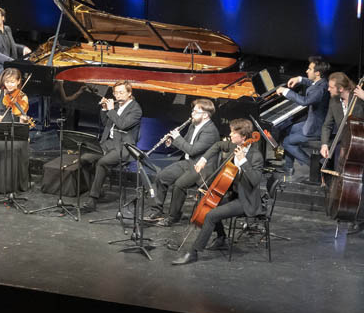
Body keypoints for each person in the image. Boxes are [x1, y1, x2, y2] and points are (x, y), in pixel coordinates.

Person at [171, 118, 266, 265]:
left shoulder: (255, 156)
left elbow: (254, 181)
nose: (230, 135)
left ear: (243, 137)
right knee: (208, 203)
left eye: (233, 133)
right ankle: (221, 237)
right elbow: (217, 145)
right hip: (234, 195)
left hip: (246, 200)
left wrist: (243, 161)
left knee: (211, 215)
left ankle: (193, 253)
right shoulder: (233, 145)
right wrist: (203, 159)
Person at [320, 71, 364, 233]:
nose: (328, 89)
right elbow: (327, 125)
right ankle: (344, 211)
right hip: (345, 147)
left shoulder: (359, 98)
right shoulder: (334, 101)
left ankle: (359, 220)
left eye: (331, 87)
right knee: (344, 181)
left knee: (360, 183)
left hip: (362, 146)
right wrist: (324, 144)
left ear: (341, 88)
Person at [150, 99, 220, 227]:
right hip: (188, 162)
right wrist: (171, 142)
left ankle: (173, 217)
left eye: (196, 112)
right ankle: (157, 210)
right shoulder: (193, 125)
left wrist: (177, 138)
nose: (192, 114)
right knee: (162, 177)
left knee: (179, 185)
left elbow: (192, 150)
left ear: (205, 115)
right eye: (193, 111)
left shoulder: (210, 131)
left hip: (201, 167)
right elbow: (185, 144)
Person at [79, 81, 142, 213]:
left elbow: (123, 125)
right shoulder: (117, 106)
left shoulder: (136, 109)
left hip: (124, 147)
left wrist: (111, 110)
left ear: (129, 93)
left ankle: (92, 200)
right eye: (116, 93)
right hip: (108, 143)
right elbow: (107, 124)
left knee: (102, 162)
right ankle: (97, 189)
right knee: (84, 159)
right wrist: (104, 109)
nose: (118, 95)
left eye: (121, 92)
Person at [275, 56, 331, 179]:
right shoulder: (323, 82)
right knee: (287, 130)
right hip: (313, 122)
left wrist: (286, 91)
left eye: (309, 69)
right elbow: (313, 83)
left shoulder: (320, 90)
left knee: (287, 142)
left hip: (316, 128)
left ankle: (315, 167)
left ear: (317, 73)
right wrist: (299, 79)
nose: (306, 71)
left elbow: (305, 101)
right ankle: (288, 167)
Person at [0, 67, 32, 195]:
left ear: (18, 81)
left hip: (15, 130)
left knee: (16, 146)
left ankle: (11, 186)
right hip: (0, 129)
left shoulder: (23, 97)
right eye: (7, 82)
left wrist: (24, 120)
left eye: (12, 82)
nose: (9, 85)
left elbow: (22, 123)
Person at [0, 6, 31, 83]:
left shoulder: (7, 29)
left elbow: (11, 45)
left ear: (3, 18)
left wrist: (23, 48)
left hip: (7, 68)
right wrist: (14, 63)